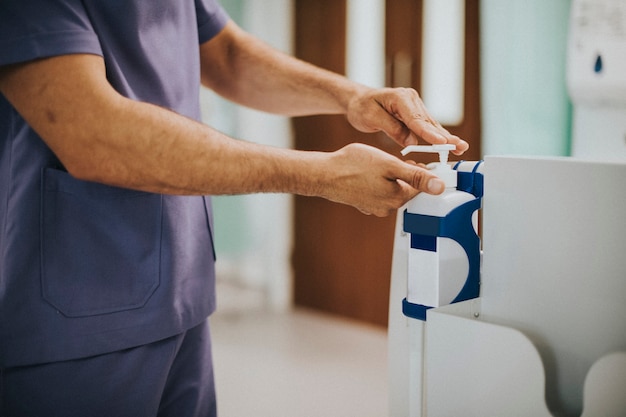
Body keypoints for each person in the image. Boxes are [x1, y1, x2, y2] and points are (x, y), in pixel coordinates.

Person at [0, 1, 468, 416]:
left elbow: (226, 54)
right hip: (75, 302)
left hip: (179, 290)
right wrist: (323, 175)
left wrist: (351, 97)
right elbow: (91, 132)